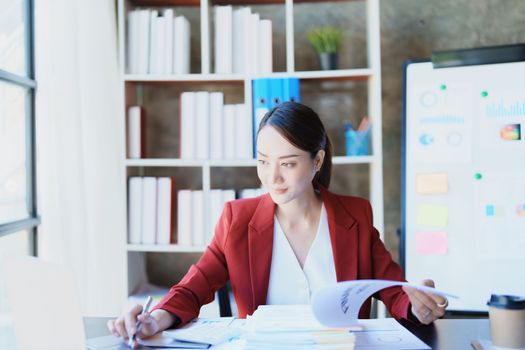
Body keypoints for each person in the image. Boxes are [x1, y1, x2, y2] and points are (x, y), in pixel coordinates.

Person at [108, 101, 448, 347]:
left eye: (287, 163)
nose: (273, 178)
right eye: (263, 161)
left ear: (317, 161)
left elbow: (392, 288)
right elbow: (192, 288)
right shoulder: (237, 219)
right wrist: (155, 318)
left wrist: (417, 304)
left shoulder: (354, 216)